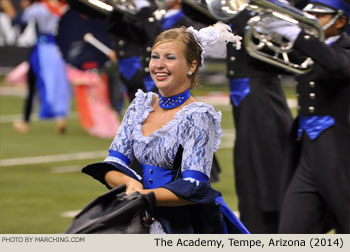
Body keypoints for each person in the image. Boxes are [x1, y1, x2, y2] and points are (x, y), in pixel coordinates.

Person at [82, 23, 248, 234]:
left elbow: (193, 185)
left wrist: (146, 196)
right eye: (155, 56)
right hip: (137, 218)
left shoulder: (198, 116)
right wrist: (129, 183)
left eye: (170, 57)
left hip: (183, 227)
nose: (159, 64)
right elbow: (113, 163)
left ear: (191, 66)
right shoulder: (140, 105)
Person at [259, 0, 350, 233]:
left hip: (340, 153)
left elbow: (336, 65)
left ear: (340, 21)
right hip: (307, 152)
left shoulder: (344, 49)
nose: (308, 20)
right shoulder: (310, 48)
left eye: (317, 15)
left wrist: (296, 34)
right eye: (306, 15)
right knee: (292, 231)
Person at [224, 2, 294, 233]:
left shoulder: (275, 6)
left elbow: (265, 42)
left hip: (261, 91)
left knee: (266, 163)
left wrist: (240, 8)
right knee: (247, 165)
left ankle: (271, 228)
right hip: (244, 92)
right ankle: (253, 226)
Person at [11, 0, 71, 134]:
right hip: (60, 51)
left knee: (34, 84)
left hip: (43, 51)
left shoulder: (39, 8)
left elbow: (20, 21)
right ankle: (61, 119)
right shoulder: (65, 8)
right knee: (57, 84)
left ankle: (25, 121)